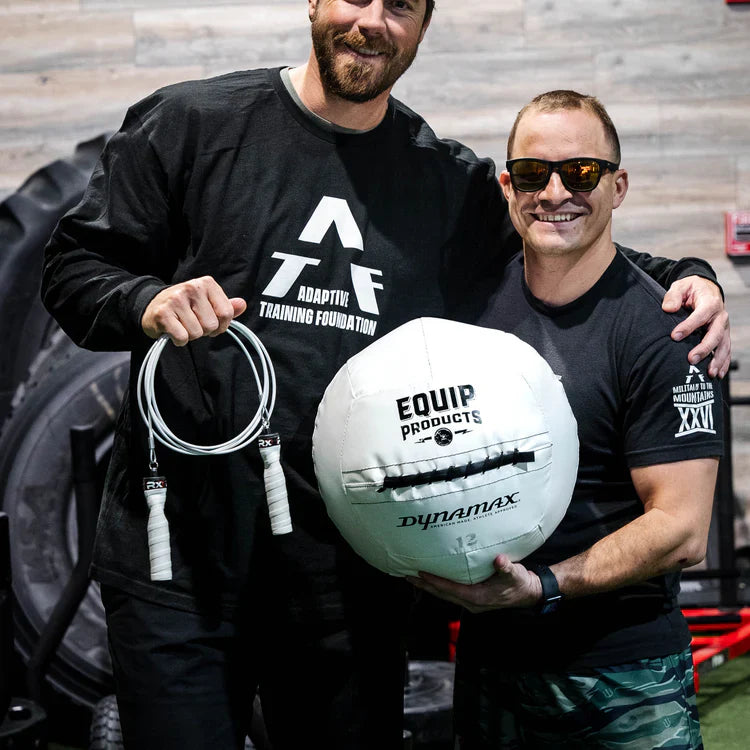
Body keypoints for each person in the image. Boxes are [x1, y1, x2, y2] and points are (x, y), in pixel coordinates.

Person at [40, 2, 729, 748]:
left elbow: (566, 236)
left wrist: (691, 276)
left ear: (424, 26)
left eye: (400, 5)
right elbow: (73, 266)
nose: (372, 21)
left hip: (346, 581)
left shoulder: (448, 183)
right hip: (180, 569)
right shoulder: (191, 124)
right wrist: (147, 300)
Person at [409, 90, 724, 749]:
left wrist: (545, 586)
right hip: (493, 660)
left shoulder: (669, 328)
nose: (554, 192)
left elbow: (682, 529)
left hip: (624, 673)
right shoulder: (468, 307)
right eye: (532, 173)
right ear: (507, 184)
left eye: (580, 172)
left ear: (619, 185)